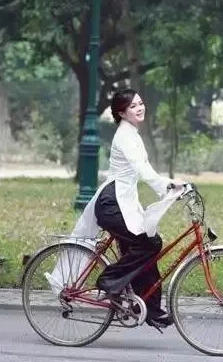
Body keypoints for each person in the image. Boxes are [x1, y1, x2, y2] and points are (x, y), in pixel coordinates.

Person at [87, 88, 186, 329]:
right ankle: (109, 281)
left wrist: (168, 184)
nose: (139, 108)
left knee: (150, 245)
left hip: (124, 202)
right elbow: (142, 170)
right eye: (133, 106)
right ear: (121, 113)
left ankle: (149, 308)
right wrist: (167, 185)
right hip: (112, 204)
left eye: (140, 103)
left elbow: (145, 168)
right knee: (148, 244)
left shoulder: (132, 133)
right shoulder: (124, 136)